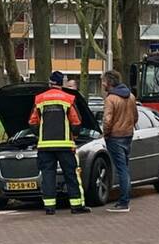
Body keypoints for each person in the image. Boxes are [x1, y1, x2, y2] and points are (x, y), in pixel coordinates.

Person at [28, 71, 91, 215]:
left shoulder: (39, 99)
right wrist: (74, 135)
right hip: (65, 145)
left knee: (48, 175)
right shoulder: (68, 98)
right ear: (61, 83)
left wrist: (41, 134)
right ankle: (76, 206)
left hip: (45, 146)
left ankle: (49, 207)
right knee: (71, 174)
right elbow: (76, 122)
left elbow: (32, 122)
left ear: (50, 83)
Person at [101, 70, 138, 213]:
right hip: (128, 135)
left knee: (121, 169)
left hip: (115, 137)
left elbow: (107, 120)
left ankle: (123, 202)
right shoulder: (131, 97)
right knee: (125, 168)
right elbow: (135, 117)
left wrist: (106, 134)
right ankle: (125, 199)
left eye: (104, 81)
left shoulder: (111, 99)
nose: (102, 84)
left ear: (109, 83)